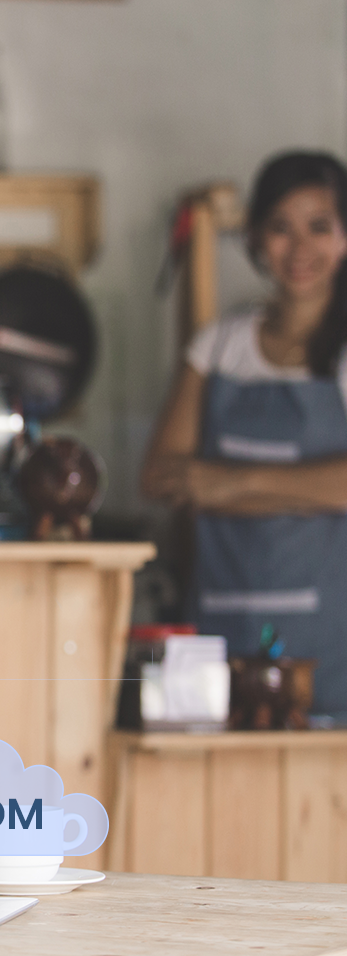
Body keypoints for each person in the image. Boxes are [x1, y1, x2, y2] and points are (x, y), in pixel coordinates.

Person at [143, 150, 347, 718]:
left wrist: (223, 482)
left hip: (330, 642)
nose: (299, 248)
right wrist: (310, 489)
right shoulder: (220, 345)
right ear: (256, 236)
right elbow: (160, 477)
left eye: (320, 227)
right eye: (281, 228)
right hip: (217, 626)